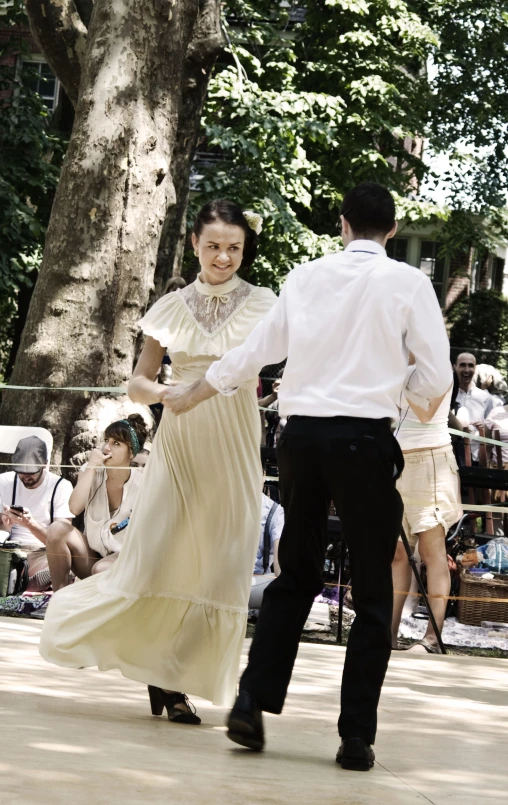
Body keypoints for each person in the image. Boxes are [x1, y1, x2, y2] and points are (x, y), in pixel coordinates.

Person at [164, 181, 451, 768]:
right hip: (364, 439)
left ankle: (251, 701)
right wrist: (408, 401)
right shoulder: (409, 282)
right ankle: (355, 736)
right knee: (373, 587)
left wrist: (197, 390)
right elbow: (437, 372)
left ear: (342, 224)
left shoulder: (305, 276)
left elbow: (256, 351)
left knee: (295, 573)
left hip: (301, 438)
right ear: (391, 231)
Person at [39, 200, 277, 725]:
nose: (223, 257)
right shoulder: (170, 308)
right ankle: (162, 680)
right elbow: (138, 382)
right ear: (194, 243)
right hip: (182, 439)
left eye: (234, 247)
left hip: (236, 442)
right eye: (213, 245)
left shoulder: (264, 304)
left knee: (220, 563)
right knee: (164, 554)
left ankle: (175, 677)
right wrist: (170, 391)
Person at [391, 359, 463, 654]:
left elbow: (426, 410)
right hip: (397, 463)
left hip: (431, 461)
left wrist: (392, 380)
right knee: (397, 554)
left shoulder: (438, 368)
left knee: (433, 554)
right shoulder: (397, 364)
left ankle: (432, 638)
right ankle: (389, 634)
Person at [44, 415, 148, 595]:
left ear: (131, 453)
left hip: (125, 564)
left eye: (117, 444)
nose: (106, 447)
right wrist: (91, 467)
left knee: (101, 569)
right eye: (106, 440)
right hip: (92, 560)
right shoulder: (91, 471)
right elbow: (74, 508)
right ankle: (58, 597)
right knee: (56, 528)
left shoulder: (143, 484)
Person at [0, 436, 73, 592]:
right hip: (10, 551)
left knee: (65, 564)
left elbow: (63, 541)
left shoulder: (61, 487)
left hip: (43, 553)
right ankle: (22, 583)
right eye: (21, 472)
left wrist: (30, 524)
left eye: (31, 472)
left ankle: (22, 582)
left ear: (45, 464)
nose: (26, 477)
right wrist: (5, 526)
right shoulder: (4, 482)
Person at [454, 353, 495, 461]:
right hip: (451, 454)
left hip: (477, 456)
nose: (467, 369)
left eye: (470, 365)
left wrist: (484, 426)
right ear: (455, 367)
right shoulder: (447, 396)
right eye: (462, 365)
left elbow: (491, 428)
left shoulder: (486, 397)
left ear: (475, 369)